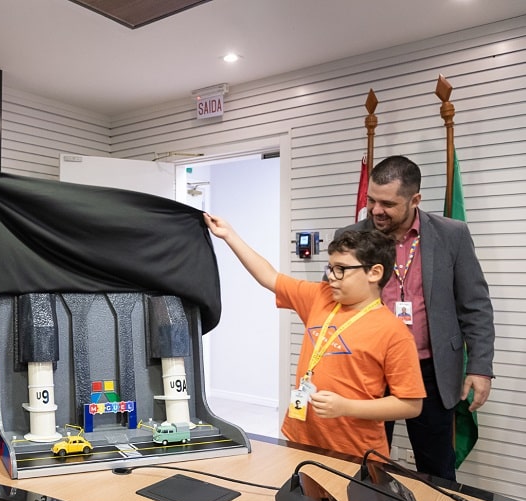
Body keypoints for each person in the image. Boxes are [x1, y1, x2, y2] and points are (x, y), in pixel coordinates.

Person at [204, 214, 424, 458]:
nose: (331, 276)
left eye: (341, 269)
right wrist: (229, 235)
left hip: (354, 451)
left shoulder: (394, 332)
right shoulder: (321, 296)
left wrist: (346, 407)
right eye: (330, 268)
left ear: (374, 273)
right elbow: (269, 276)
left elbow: (411, 404)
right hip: (302, 439)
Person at [337, 155, 494, 480]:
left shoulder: (451, 235)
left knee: (436, 468)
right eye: (371, 201)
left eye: (388, 203)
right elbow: (334, 301)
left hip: (431, 370)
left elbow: (475, 305)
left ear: (415, 200)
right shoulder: (352, 236)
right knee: (366, 464)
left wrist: (479, 367)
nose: (376, 211)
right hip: (370, 368)